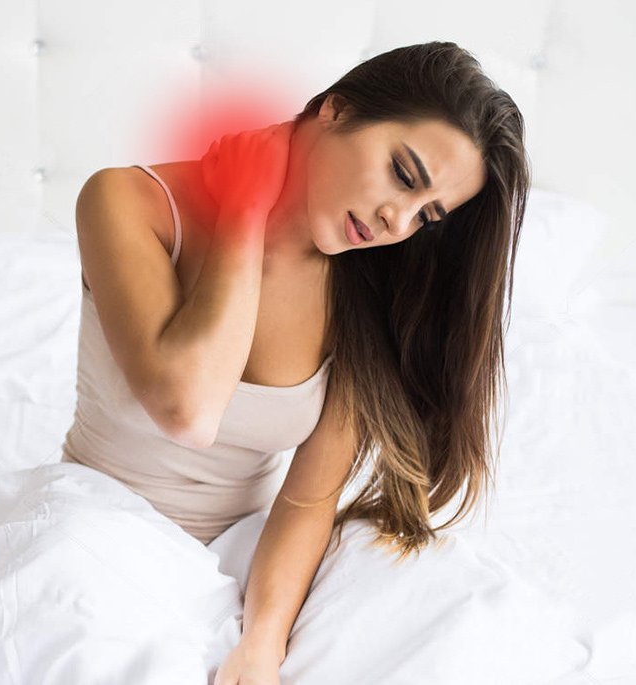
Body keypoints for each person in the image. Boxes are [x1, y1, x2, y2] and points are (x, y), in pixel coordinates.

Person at [65, 40, 530, 684]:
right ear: (336, 111)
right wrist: (244, 211)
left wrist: (262, 644)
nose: (397, 219)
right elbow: (188, 409)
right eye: (402, 172)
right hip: (90, 525)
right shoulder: (126, 201)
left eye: (427, 216)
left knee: (455, 608)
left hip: (242, 550)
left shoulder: (368, 294)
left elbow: (308, 500)